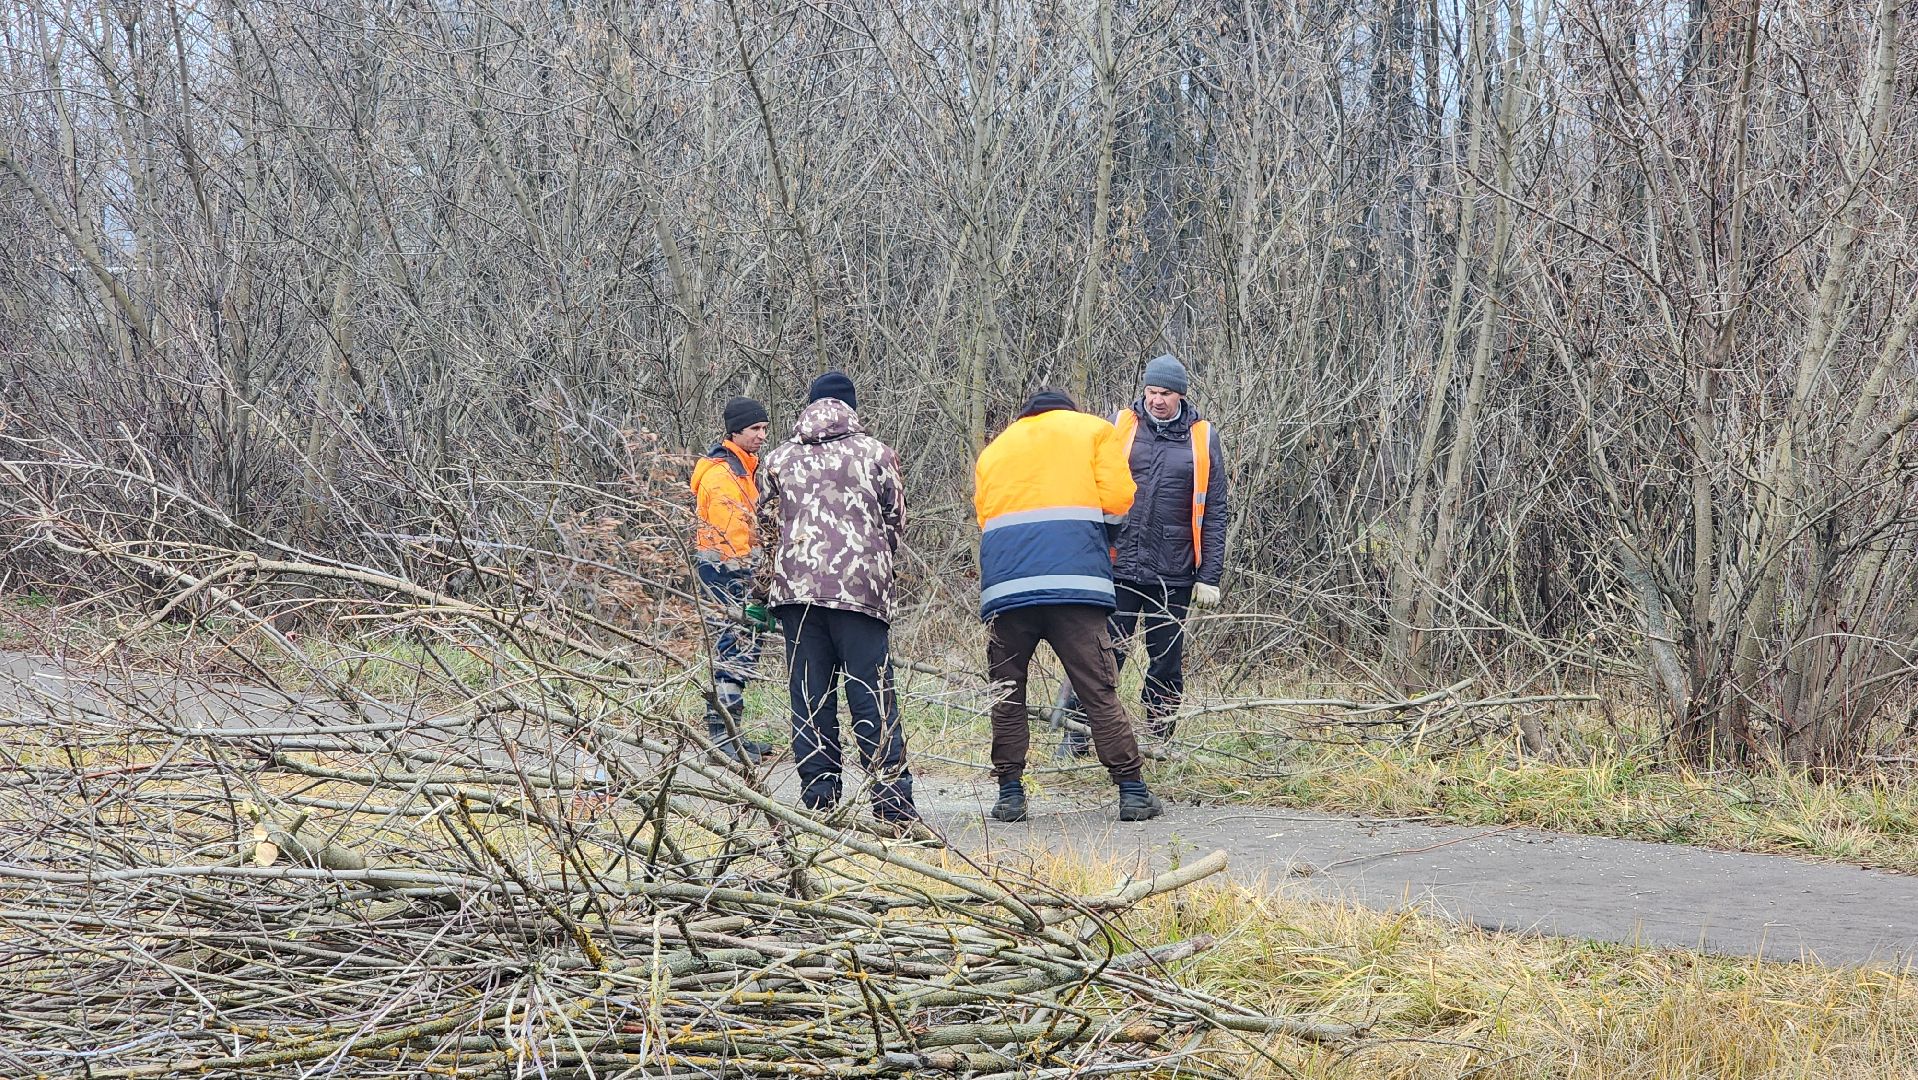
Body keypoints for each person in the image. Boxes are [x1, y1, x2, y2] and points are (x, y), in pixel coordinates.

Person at [973, 389, 1163, 822]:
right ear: (1068, 411)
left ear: (1026, 416)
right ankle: (1132, 791)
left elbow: (986, 517)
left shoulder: (995, 450)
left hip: (1007, 591)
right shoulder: (1094, 431)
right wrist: (1099, 538)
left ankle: (1010, 794)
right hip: (1076, 586)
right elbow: (1117, 501)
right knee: (1098, 688)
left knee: (1007, 692)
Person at [756, 371, 919, 827]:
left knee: (809, 695)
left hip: (796, 596)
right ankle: (892, 806)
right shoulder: (876, 454)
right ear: (851, 406)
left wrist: (769, 586)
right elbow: (895, 524)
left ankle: (819, 805)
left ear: (808, 406)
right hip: (860, 592)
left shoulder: (778, 458)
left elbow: (766, 531)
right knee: (871, 693)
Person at [1062, 353, 1228, 751]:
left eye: (1165, 393)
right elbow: (1091, 489)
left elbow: (1216, 508)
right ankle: (1079, 738)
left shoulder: (1203, 438)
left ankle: (1159, 739)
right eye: (1151, 391)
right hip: (1118, 567)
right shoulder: (1120, 426)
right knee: (1102, 656)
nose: (1157, 399)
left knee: (1166, 662)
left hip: (1175, 573)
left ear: (1181, 396)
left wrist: (1209, 577)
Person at [690, 395, 777, 762]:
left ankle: (730, 734)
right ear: (735, 431)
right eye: (755, 429)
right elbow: (735, 539)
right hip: (730, 572)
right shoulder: (724, 476)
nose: (762, 435)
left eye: (764, 428)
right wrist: (756, 582)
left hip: (733, 571)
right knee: (733, 649)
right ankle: (721, 738)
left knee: (740, 650)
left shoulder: (742, 469)